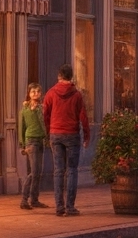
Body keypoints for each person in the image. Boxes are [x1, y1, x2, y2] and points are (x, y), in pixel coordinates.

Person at [43, 64, 89, 216]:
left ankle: (59, 207)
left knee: (58, 171)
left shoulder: (50, 93)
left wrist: (49, 130)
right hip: (71, 134)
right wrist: (87, 136)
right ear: (71, 77)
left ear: (59, 76)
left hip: (55, 133)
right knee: (72, 170)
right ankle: (70, 206)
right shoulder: (77, 95)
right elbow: (83, 117)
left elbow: (45, 114)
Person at [18, 82, 49, 210]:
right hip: (31, 141)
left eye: (37, 91)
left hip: (41, 140)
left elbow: (45, 121)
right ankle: (24, 200)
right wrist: (22, 144)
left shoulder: (42, 108)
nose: (35, 94)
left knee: (38, 172)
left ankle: (35, 200)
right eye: (33, 92)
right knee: (34, 172)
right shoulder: (25, 110)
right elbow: (21, 127)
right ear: (29, 94)